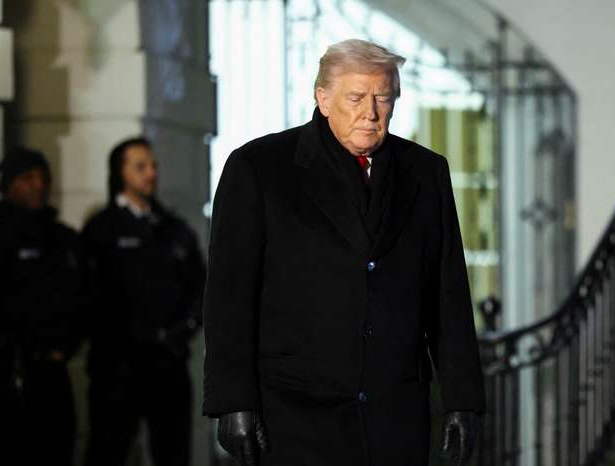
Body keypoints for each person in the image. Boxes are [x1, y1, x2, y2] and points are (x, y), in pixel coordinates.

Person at [203, 39, 485, 466]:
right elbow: (229, 295)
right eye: (355, 98)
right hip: (294, 411)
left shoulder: (427, 172)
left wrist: (462, 398)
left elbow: (448, 294)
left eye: (383, 98)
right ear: (323, 98)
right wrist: (232, 400)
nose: (370, 113)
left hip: (396, 411)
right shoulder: (259, 168)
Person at [82, 137, 206, 466]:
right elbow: (92, 297)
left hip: (169, 363)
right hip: (118, 367)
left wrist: (186, 328)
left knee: (174, 451)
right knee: (109, 449)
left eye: (153, 166)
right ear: (120, 172)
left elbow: (201, 285)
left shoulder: (174, 229)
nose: (150, 173)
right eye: (140, 166)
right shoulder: (101, 229)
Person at [0, 147, 87, 466]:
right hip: (1, 378)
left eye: (43, 178)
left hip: (52, 372)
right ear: (8, 184)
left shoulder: (64, 240)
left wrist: (65, 345)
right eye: (27, 178)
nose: (38, 185)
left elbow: (84, 300)